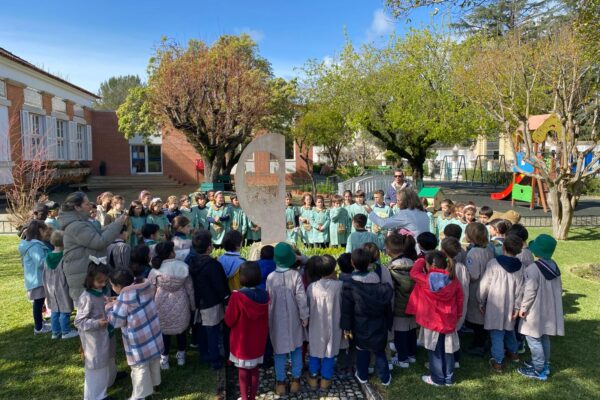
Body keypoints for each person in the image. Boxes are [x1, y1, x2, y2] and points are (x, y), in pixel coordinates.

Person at [407, 251, 463, 387]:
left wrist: (420, 260)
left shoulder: (426, 279)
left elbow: (413, 273)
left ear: (431, 264)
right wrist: (458, 315)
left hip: (433, 321)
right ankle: (448, 379)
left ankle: (438, 379)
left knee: (435, 351)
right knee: (448, 350)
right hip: (448, 320)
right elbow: (460, 298)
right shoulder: (453, 279)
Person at [59, 192, 127, 303]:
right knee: (92, 312)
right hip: (84, 275)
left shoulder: (80, 222)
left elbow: (97, 234)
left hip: (88, 273)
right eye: (86, 204)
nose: (90, 206)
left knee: (99, 310)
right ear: (77, 207)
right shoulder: (76, 226)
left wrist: (114, 224)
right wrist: (117, 225)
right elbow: (99, 242)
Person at [106, 268, 163, 400]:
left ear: (119, 286)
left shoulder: (124, 298)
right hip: (152, 333)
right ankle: (155, 384)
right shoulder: (144, 287)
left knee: (139, 366)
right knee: (154, 360)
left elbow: (117, 321)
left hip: (138, 339)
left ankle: (140, 395)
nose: (112, 288)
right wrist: (116, 301)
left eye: (112, 285)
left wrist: (108, 308)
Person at [341, 248, 393, 386]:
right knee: (380, 351)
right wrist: (389, 323)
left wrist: (346, 328)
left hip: (360, 325)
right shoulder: (381, 286)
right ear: (370, 263)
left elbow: (346, 310)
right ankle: (385, 378)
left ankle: (362, 375)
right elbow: (387, 307)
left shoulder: (350, 286)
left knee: (361, 350)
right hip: (379, 324)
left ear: (352, 263)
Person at [517, 234, 564, 381]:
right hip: (549, 308)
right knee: (544, 336)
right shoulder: (554, 265)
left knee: (533, 338)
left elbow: (530, 291)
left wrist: (523, 308)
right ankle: (544, 363)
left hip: (535, 310)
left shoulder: (533, 269)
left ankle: (538, 370)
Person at [267, 242, 309, 396]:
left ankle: (280, 383)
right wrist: (305, 316)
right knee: (297, 349)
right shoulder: (296, 275)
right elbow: (301, 298)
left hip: (276, 320)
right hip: (295, 318)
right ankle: (296, 381)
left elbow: (268, 300)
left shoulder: (270, 277)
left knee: (279, 352)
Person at [186, 229, 230, 370]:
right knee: (213, 331)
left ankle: (204, 354)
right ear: (209, 247)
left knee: (201, 329)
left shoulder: (191, 262)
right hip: (211, 302)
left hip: (198, 301)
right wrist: (226, 299)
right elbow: (220, 285)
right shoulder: (213, 265)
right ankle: (215, 360)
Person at [479, 234, 524, 373]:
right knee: (509, 329)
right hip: (511, 305)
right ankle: (514, 353)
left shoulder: (493, 263)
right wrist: (517, 306)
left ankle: (498, 360)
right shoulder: (520, 267)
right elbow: (521, 289)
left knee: (497, 333)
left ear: (503, 247)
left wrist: (481, 300)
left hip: (494, 304)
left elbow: (484, 284)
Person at [224, 262, 270, 400]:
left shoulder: (237, 296)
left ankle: (245, 398)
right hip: (258, 339)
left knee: (243, 370)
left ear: (241, 277)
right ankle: (252, 397)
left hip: (241, 341)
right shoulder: (265, 295)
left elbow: (229, 320)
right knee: (255, 369)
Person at [148, 241, 195, 370]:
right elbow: (190, 289)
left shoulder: (155, 271)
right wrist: (192, 306)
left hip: (161, 305)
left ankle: (164, 358)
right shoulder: (183, 266)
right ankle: (181, 355)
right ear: (171, 253)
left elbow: (150, 292)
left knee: (164, 333)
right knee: (181, 331)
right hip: (181, 303)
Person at [75, 261, 116, 400]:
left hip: (106, 333)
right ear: (90, 278)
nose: (104, 284)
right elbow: (79, 321)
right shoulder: (86, 297)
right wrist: (97, 323)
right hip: (95, 338)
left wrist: (110, 300)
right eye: (100, 281)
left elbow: (105, 302)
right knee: (97, 366)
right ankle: (95, 396)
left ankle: (110, 380)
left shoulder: (104, 289)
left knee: (109, 357)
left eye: (106, 281)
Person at [307, 255, 343, 390]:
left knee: (314, 351)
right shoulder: (339, 286)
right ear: (333, 269)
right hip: (334, 324)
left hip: (316, 325)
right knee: (330, 352)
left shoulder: (311, 287)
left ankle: (313, 377)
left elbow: (308, 305)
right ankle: (326, 380)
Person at [385, 233, 418, 369]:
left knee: (400, 332)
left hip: (398, 304)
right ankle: (411, 354)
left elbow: (390, 289)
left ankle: (402, 359)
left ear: (388, 250)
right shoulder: (413, 263)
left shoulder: (391, 268)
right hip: (414, 303)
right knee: (411, 329)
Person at [464, 222, 494, 356]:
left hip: (476, 288)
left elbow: (473, 274)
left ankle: (478, 345)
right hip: (488, 287)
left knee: (477, 319)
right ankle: (484, 340)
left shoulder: (473, 253)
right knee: (482, 317)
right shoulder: (488, 249)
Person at [440, 237, 470, 368]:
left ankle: (446, 361)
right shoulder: (462, 267)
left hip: (448, 308)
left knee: (446, 337)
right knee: (454, 333)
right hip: (461, 306)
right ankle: (456, 359)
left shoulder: (442, 268)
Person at [43, 230, 78, 339]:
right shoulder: (65, 257)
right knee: (65, 309)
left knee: (54, 309)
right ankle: (65, 332)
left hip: (50, 287)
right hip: (63, 286)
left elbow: (44, 274)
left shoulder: (47, 257)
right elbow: (69, 273)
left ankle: (55, 332)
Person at [19, 220, 51, 334]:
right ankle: (38, 327)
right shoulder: (35, 246)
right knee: (38, 303)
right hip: (37, 279)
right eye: (44, 230)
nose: (46, 233)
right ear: (39, 231)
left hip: (34, 278)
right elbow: (41, 262)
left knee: (39, 302)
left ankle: (40, 323)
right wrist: (51, 258)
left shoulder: (30, 244)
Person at [366, 188, 430, 237]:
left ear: (406, 201)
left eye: (398, 200)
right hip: (424, 247)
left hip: (413, 248)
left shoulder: (405, 214)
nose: (397, 202)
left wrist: (371, 212)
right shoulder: (422, 212)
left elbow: (383, 224)